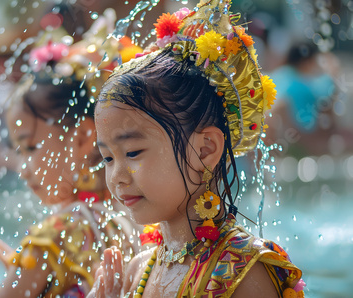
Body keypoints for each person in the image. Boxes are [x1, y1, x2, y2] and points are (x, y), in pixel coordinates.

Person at [89, 1, 305, 297]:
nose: (116, 177)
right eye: (108, 158)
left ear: (205, 150)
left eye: (133, 153)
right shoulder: (140, 269)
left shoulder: (243, 274)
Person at [0, 9, 142, 298]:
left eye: (29, 148)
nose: (23, 168)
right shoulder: (131, 223)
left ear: (82, 139)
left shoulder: (49, 239)